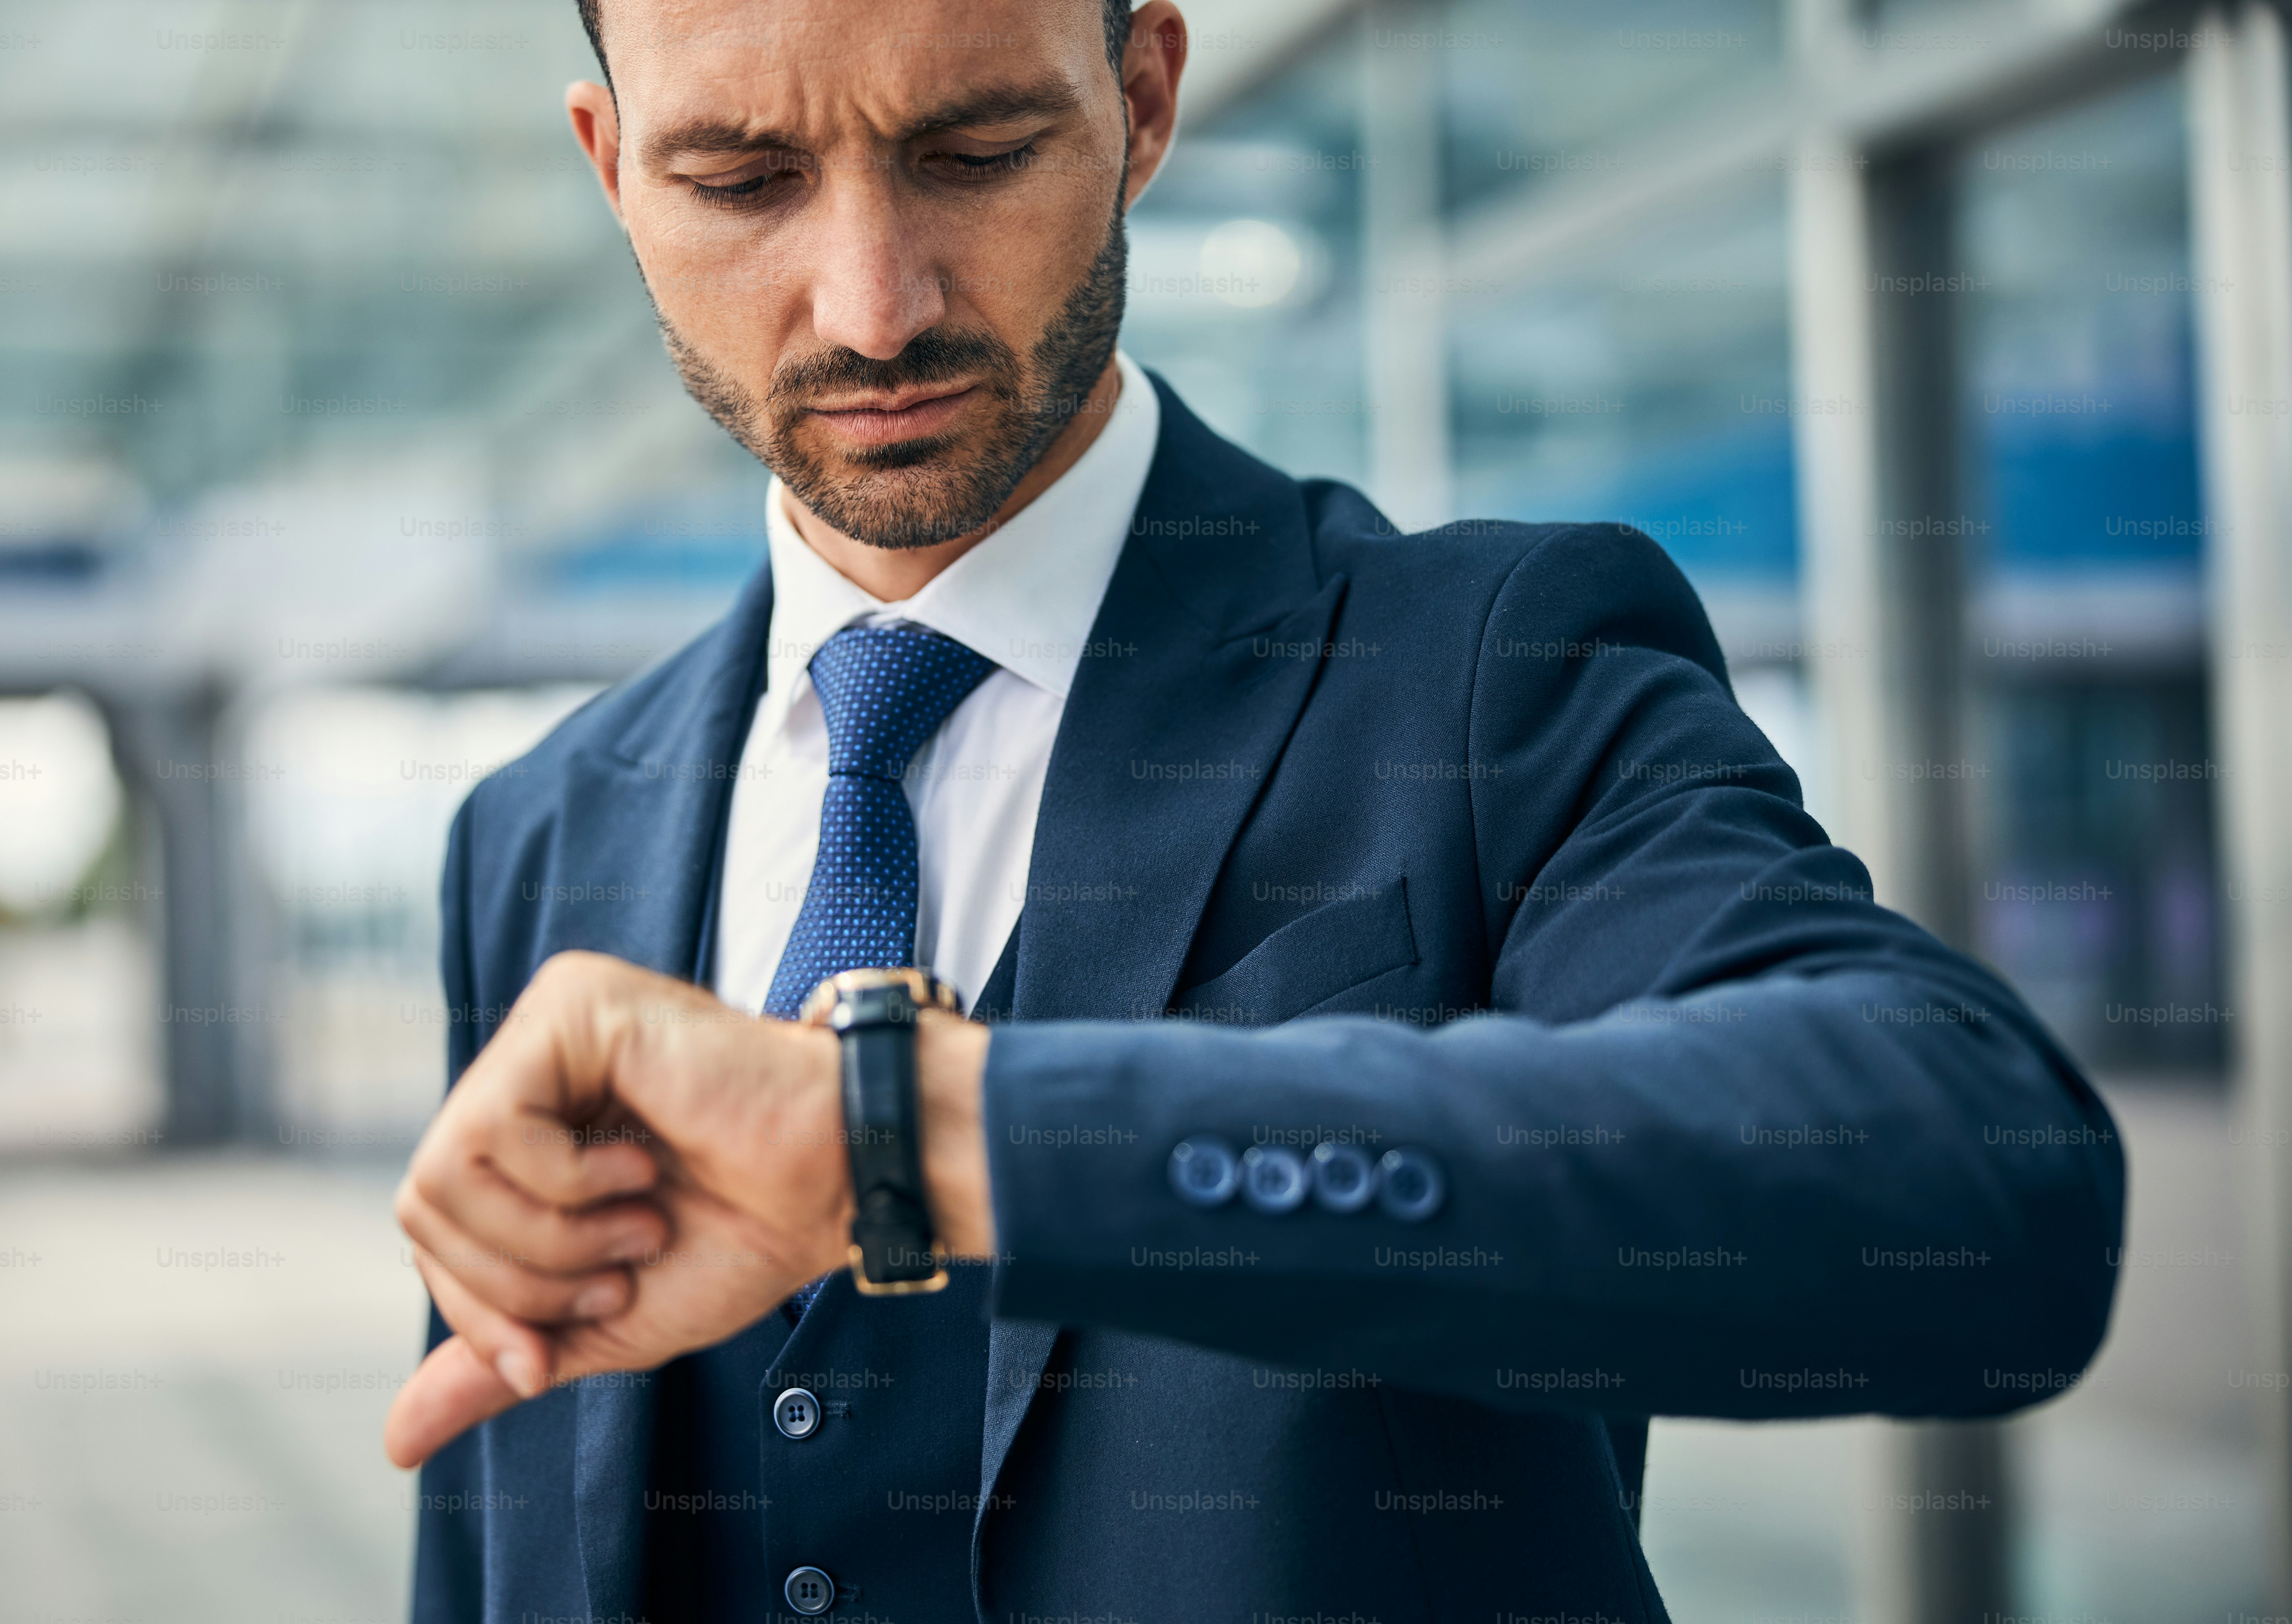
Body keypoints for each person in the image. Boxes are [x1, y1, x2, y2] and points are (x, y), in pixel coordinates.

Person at [387, 1, 2127, 1620]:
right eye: (743, 180)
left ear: (1143, 100)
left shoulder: (1485, 673)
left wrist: (912, 1135)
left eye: (978, 152)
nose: (871, 305)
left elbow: (1977, 1192)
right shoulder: (539, 830)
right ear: (614, 168)